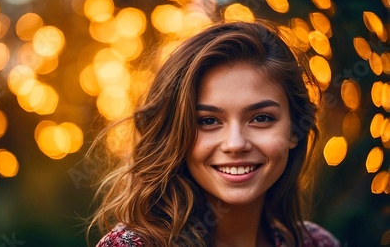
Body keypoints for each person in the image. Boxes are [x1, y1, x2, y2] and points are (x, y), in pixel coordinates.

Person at [88, 20, 340, 246]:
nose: (235, 144)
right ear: (175, 134)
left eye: (261, 118)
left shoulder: (318, 243)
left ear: (294, 129)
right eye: (208, 121)